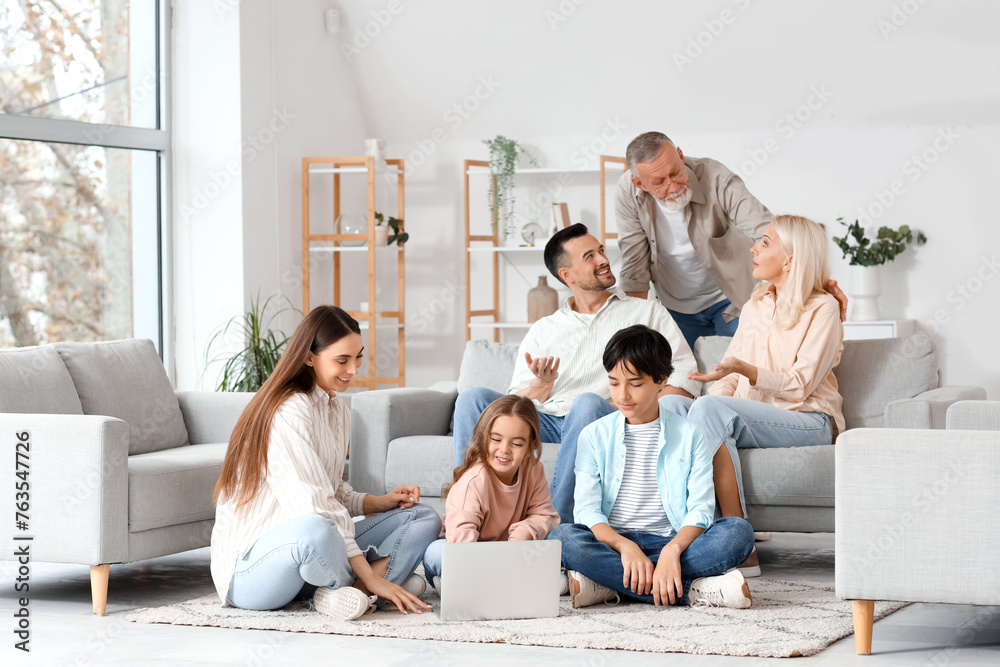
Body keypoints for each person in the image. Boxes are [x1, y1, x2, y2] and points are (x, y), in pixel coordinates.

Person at [453, 223, 701, 525]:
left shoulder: (646, 312)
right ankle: (467, 511)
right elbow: (514, 403)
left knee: (586, 402)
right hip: (547, 419)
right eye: (590, 256)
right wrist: (541, 384)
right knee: (472, 399)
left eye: (601, 251)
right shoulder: (545, 329)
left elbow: (685, 377)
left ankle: (557, 524)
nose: (603, 260)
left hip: (602, 414)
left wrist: (634, 408)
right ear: (567, 275)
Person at [210, 305, 442, 621]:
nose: (354, 369)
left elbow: (330, 487)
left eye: (358, 357)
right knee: (317, 530)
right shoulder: (289, 411)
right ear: (309, 357)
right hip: (252, 573)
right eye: (342, 360)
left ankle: (349, 593)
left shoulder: (336, 408)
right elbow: (315, 506)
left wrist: (378, 502)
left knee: (423, 516)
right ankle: (373, 585)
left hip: (312, 558)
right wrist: (370, 574)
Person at [548, 325, 755, 609]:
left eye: (635, 384)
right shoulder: (593, 435)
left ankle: (606, 584)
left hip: (671, 543)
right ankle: (692, 591)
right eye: (614, 383)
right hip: (613, 545)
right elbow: (587, 510)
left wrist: (672, 551)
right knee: (562, 538)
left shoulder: (691, 434)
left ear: (661, 380)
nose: (622, 395)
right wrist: (625, 546)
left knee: (738, 533)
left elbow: (701, 510)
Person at [683, 214, 845, 576]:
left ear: (790, 259)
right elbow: (727, 372)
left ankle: (740, 546)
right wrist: (702, 406)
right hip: (755, 418)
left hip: (808, 420)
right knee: (673, 406)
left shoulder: (824, 308)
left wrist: (747, 372)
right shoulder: (755, 304)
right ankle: (669, 535)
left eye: (765, 242)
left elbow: (800, 384)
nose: (753, 249)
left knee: (708, 411)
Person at [615, 131, 847, 350]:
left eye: (676, 172)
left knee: (746, 367)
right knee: (688, 374)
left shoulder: (716, 177)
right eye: (660, 182)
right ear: (640, 184)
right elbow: (635, 265)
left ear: (681, 155)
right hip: (675, 306)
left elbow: (769, 231)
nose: (673, 186)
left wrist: (818, 282)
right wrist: (633, 333)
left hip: (730, 299)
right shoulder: (628, 193)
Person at [422, 395, 560, 591]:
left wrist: (521, 535)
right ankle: (458, 583)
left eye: (517, 444)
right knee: (436, 551)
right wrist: (489, 568)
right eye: (496, 439)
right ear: (484, 438)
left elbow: (546, 515)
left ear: (530, 447)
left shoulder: (533, 469)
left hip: (509, 553)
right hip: (465, 552)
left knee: (550, 551)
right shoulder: (474, 481)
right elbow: (461, 545)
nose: (504, 450)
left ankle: (481, 584)